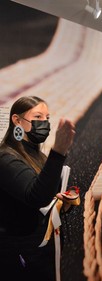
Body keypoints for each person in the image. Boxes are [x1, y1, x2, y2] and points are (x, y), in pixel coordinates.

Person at [0, 96, 76, 280]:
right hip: (20, 254)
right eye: (38, 117)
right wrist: (58, 152)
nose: (44, 123)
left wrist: (64, 203)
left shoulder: (38, 156)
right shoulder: (5, 157)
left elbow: (48, 196)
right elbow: (36, 197)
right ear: (17, 120)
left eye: (47, 118)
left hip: (42, 251)